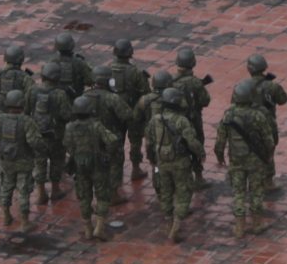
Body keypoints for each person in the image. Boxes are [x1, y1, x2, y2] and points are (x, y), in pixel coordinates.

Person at [215, 78, 277, 237]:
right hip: (256, 161)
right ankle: (256, 224)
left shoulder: (228, 115)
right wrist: (268, 156)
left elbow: (220, 140)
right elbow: (269, 140)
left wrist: (220, 155)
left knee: (238, 192)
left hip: (236, 161)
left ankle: (239, 227)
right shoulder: (258, 116)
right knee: (256, 191)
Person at [64, 92, 121, 242]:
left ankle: (88, 229)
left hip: (79, 165)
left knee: (84, 196)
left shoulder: (70, 127)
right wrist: (107, 153)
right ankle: (99, 228)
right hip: (98, 165)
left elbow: (67, 145)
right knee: (102, 196)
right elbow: (113, 140)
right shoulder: (96, 126)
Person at [145, 87, 198, 242]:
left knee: (166, 192)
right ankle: (176, 226)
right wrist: (200, 153)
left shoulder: (155, 119)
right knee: (184, 192)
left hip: (162, 162)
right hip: (180, 163)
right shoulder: (182, 121)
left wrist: (152, 158)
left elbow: (149, 139)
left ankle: (168, 220)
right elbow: (192, 142)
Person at [0, 87, 39, 232]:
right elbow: (33, 141)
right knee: (24, 190)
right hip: (24, 161)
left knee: (6, 187)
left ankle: (7, 216)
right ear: (22, 104)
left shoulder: (0, 120)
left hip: (6, 161)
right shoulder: (27, 121)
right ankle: (25, 222)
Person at [106, 40, 155, 176]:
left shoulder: (108, 70)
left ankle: (116, 170)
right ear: (130, 53)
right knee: (135, 140)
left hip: (114, 113)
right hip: (133, 112)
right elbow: (146, 92)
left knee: (116, 141)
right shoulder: (135, 72)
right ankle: (135, 168)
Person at [86, 72, 136, 202]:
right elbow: (127, 115)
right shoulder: (112, 98)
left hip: (90, 138)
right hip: (111, 137)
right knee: (115, 163)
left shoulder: (84, 97)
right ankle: (113, 194)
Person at [163, 47, 211, 182]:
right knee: (197, 143)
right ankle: (199, 176)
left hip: (175, 120)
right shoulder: (195, 82)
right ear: (193, 63)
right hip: (194, 119)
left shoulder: (170, 81)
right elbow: (205, 101)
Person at [245, 53, 287, 196]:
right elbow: (283, 100)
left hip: (249, 124)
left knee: (251, 150)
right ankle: (268, 180)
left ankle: (252, 179)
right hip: (268, 123)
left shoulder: (242, 86)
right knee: (269, 150)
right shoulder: (272, 86)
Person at [42, 33, 93, 104]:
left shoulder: (51, 61)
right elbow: (90, 81)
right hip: (76, 100)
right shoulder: (79, 62)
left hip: (56, 100)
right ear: (72, 45)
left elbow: (45, 79)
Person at [0, 46, 36, 117]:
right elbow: (32, 100)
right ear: (21, 59)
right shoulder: (26, 78)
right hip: (20, 117)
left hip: (0, 114)